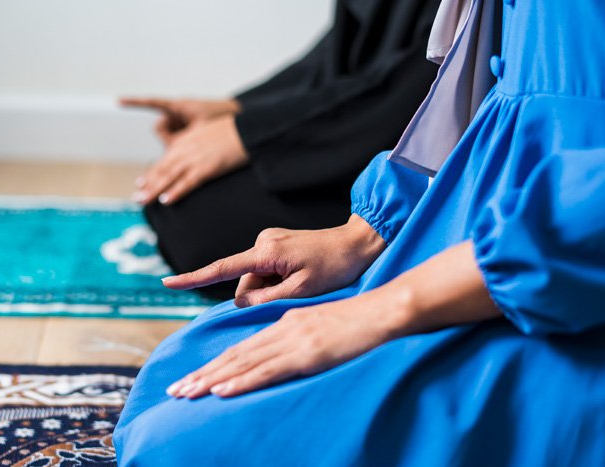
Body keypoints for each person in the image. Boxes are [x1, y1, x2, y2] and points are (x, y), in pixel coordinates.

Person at [114, 0, 605, 467]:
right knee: (183, 374)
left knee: (184, 451)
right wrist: (368, 233)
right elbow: (478, 81)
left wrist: (385, 307)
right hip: (487, 225)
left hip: (580, 268)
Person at [120, 0, 442, 298]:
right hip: (350, 136)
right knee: (181, 193)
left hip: (414, 162)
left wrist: (248, 134)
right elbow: (340, 55)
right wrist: (237, 109)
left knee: (202, 226)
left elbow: (417, 89)